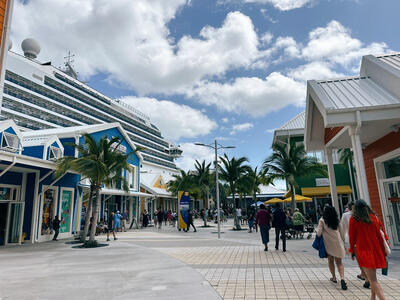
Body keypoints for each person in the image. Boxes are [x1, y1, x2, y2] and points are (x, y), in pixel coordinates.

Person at [349, 200, 388, 300]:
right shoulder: (374, 218)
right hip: (376, 250)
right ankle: (372, 297)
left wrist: (352, 251)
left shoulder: (354, 219)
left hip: (363, 251)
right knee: (372, 278)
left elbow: (351, 237)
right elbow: (382, 234)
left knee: (373, 280)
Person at [316, 206, 347, 290]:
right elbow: (342, 233)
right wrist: (343, 241)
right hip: (338, 242)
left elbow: (318, 233)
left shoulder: (322, 220)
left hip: (328, 244)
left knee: (330, 260)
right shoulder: (337, 220)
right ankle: (342, 278)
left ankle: (334, 277)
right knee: (339, 262)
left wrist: (318, 230)